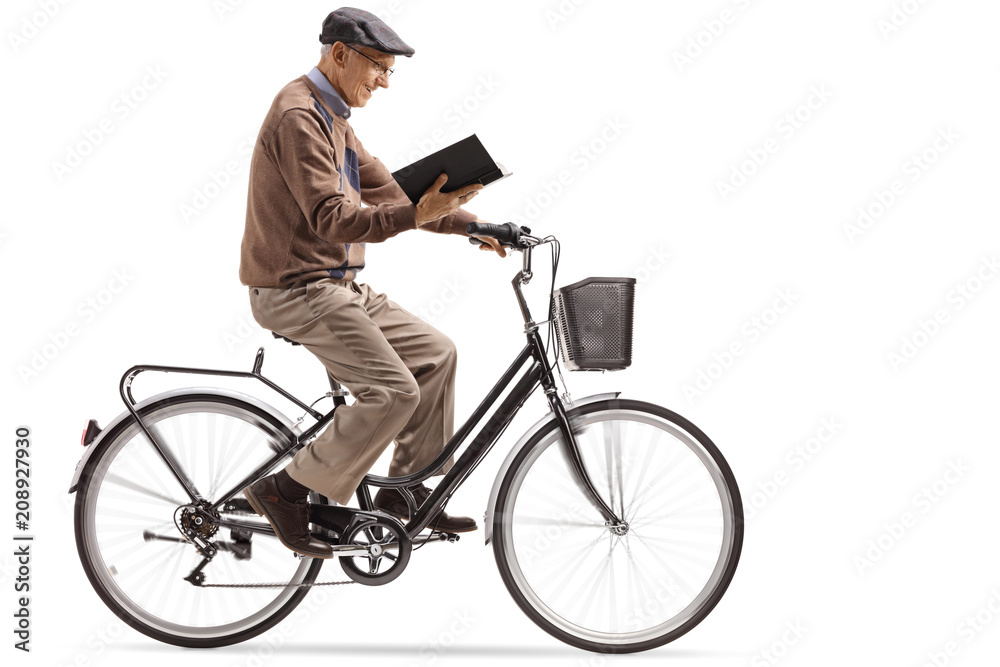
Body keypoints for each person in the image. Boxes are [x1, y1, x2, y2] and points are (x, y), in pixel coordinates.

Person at [238, 8, 508, 558]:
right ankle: (283, 491)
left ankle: (400, 499)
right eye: (378, 68)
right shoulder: (298, 117)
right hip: (295, 290)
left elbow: (392, 193)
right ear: (340, 55)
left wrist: (474, 226)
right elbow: (334, 219)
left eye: (389, 71)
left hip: (335, 286)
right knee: (392, 391)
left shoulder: (333, 117)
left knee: (436, 355)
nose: (384, 82)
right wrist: (417, 215)